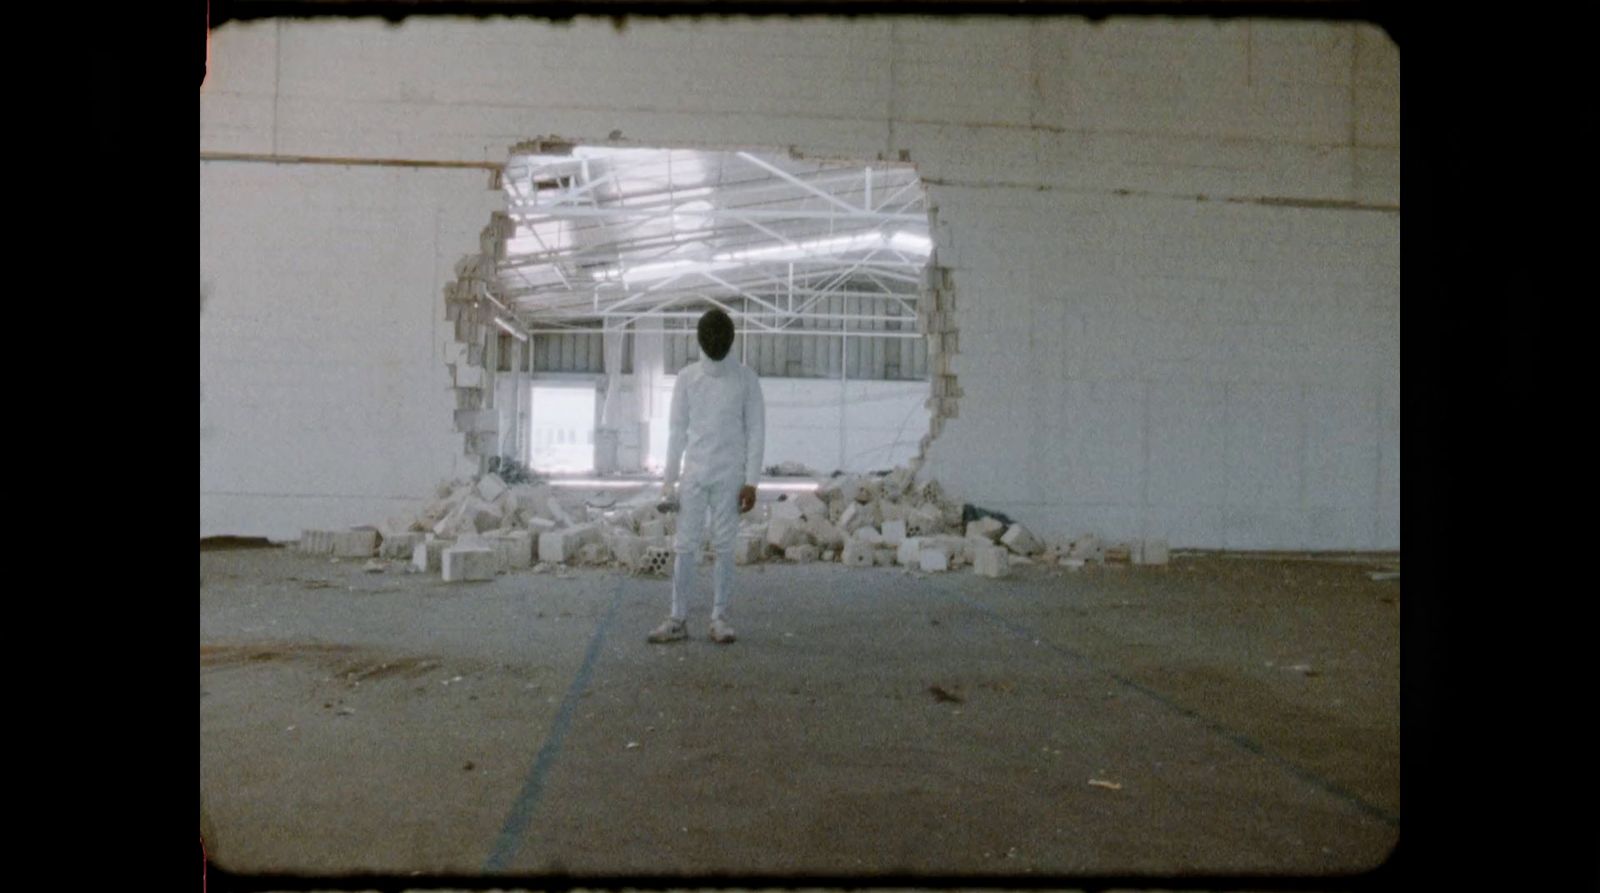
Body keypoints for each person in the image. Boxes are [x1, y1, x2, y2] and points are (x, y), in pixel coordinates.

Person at [649, 308, 765, 645]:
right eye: (710, 337)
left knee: (725, 546)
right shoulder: (687, 378)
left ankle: (719, 618)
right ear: (702, 340)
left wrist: (752, 481)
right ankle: (677, 618)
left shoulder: (746, 379)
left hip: (730, 476)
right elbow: (677, 431)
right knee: (685, 546)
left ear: (730, 340)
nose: (714, 342)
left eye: (720, 337)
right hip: (695, 474)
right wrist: (669, 480)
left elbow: (756, 431)